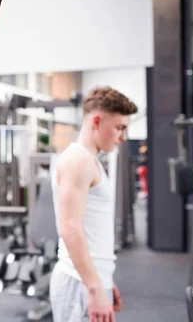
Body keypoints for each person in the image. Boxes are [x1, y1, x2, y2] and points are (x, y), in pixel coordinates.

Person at [50, 86, 138, 322]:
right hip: (78, 282)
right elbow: (70, 229)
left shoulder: (89, 161)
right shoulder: (78, 161)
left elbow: (92, 230)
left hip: (87, 280)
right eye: (120, 128)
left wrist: (102, 280)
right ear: (96, 122)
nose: (123, 137)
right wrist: (94, 287)